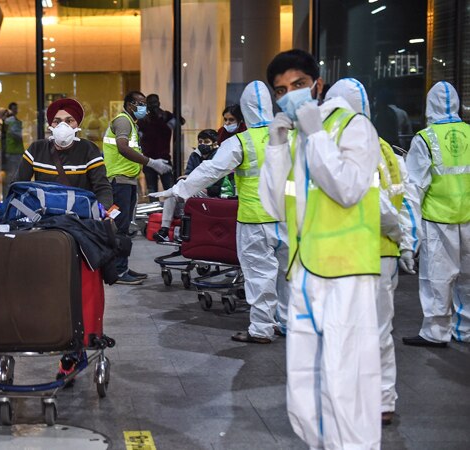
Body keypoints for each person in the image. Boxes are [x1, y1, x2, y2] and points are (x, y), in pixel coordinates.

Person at [259, 49, 382, 449]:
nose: (290, 95)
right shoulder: (293, 138)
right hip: (303, 272)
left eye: (297, 85)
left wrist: (317, 136)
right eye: (281, 90)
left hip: (347, 271)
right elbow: (276, 206)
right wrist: (277, 146)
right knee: (303, 385)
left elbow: (346, 188)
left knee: (348, 380)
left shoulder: (354, 127)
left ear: (318, 85)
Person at [151, 81, 290, 344]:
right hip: (289, 219)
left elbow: (209, 171)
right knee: (287, 274)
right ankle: (285, 323)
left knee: (260, 275)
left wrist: (177, 190)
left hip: (255, 220)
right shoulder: (289, 136)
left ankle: (261, 329)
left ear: (246, 110)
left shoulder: (242, 141)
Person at [325, 77, 421, 426]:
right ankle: (382, 401)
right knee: (380, 330)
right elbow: (408, 198)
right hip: (386, 255)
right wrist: (407, 243)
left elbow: (376, 206)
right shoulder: (386, 149)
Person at [402, 81, 470, 347]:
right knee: (468, 276)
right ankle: (465, 329)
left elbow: (414, 189)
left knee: (437, 277)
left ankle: (436, 331)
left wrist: (410, 237)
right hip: (468, 217)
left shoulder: (426, 139)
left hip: (438, 219)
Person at [103, 90, 172, 285]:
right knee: (120, 227)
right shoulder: (123, 121)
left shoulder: (132, 123)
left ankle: (122, 267)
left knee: (125, 227)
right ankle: (117, 271)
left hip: (127, 180)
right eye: (140, 103)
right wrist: (151, 163)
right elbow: (123, 147)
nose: (144, 108)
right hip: (119, 181)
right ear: (130, 104)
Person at [16, 98, 113, 209]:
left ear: (78, 124)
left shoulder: (88, 149)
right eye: (57, 121)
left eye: (69, 121)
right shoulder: (36, 149)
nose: (63, 126)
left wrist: (102, 209)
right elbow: (18, 185)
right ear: (50, 125)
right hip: (44, 217)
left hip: (79, 217)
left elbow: (102, 187)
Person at [152, 128, 234, 242]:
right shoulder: (195, 156)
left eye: (206, 142)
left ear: (215, 144)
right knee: (172, 193)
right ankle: (164, 230)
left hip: (214, 193)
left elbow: (218, 185)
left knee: (187, 192)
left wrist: (196, 182)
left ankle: (185, 230)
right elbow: (188, 177)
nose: (202, 144)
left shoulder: (220, 158)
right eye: (200, 141)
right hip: (197, 190)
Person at [138, 94, 183, 194]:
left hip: (160, 158)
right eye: (151, 103)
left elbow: (180, 121)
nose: (154, 105)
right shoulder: (144, 120)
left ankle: (167, 208)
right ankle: (158, 209)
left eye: (154, 102)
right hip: (152, 159)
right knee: (156, 190)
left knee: (167, 190)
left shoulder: (164, 116)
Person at [3, 102, 24, 189]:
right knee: (12, 173)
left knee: (16, 173)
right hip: (12, 151)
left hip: (17, 150)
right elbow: (15, 134)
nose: (15, 110)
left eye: (16, 108)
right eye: (14, 108)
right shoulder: (9, 121)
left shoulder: (15, 120)